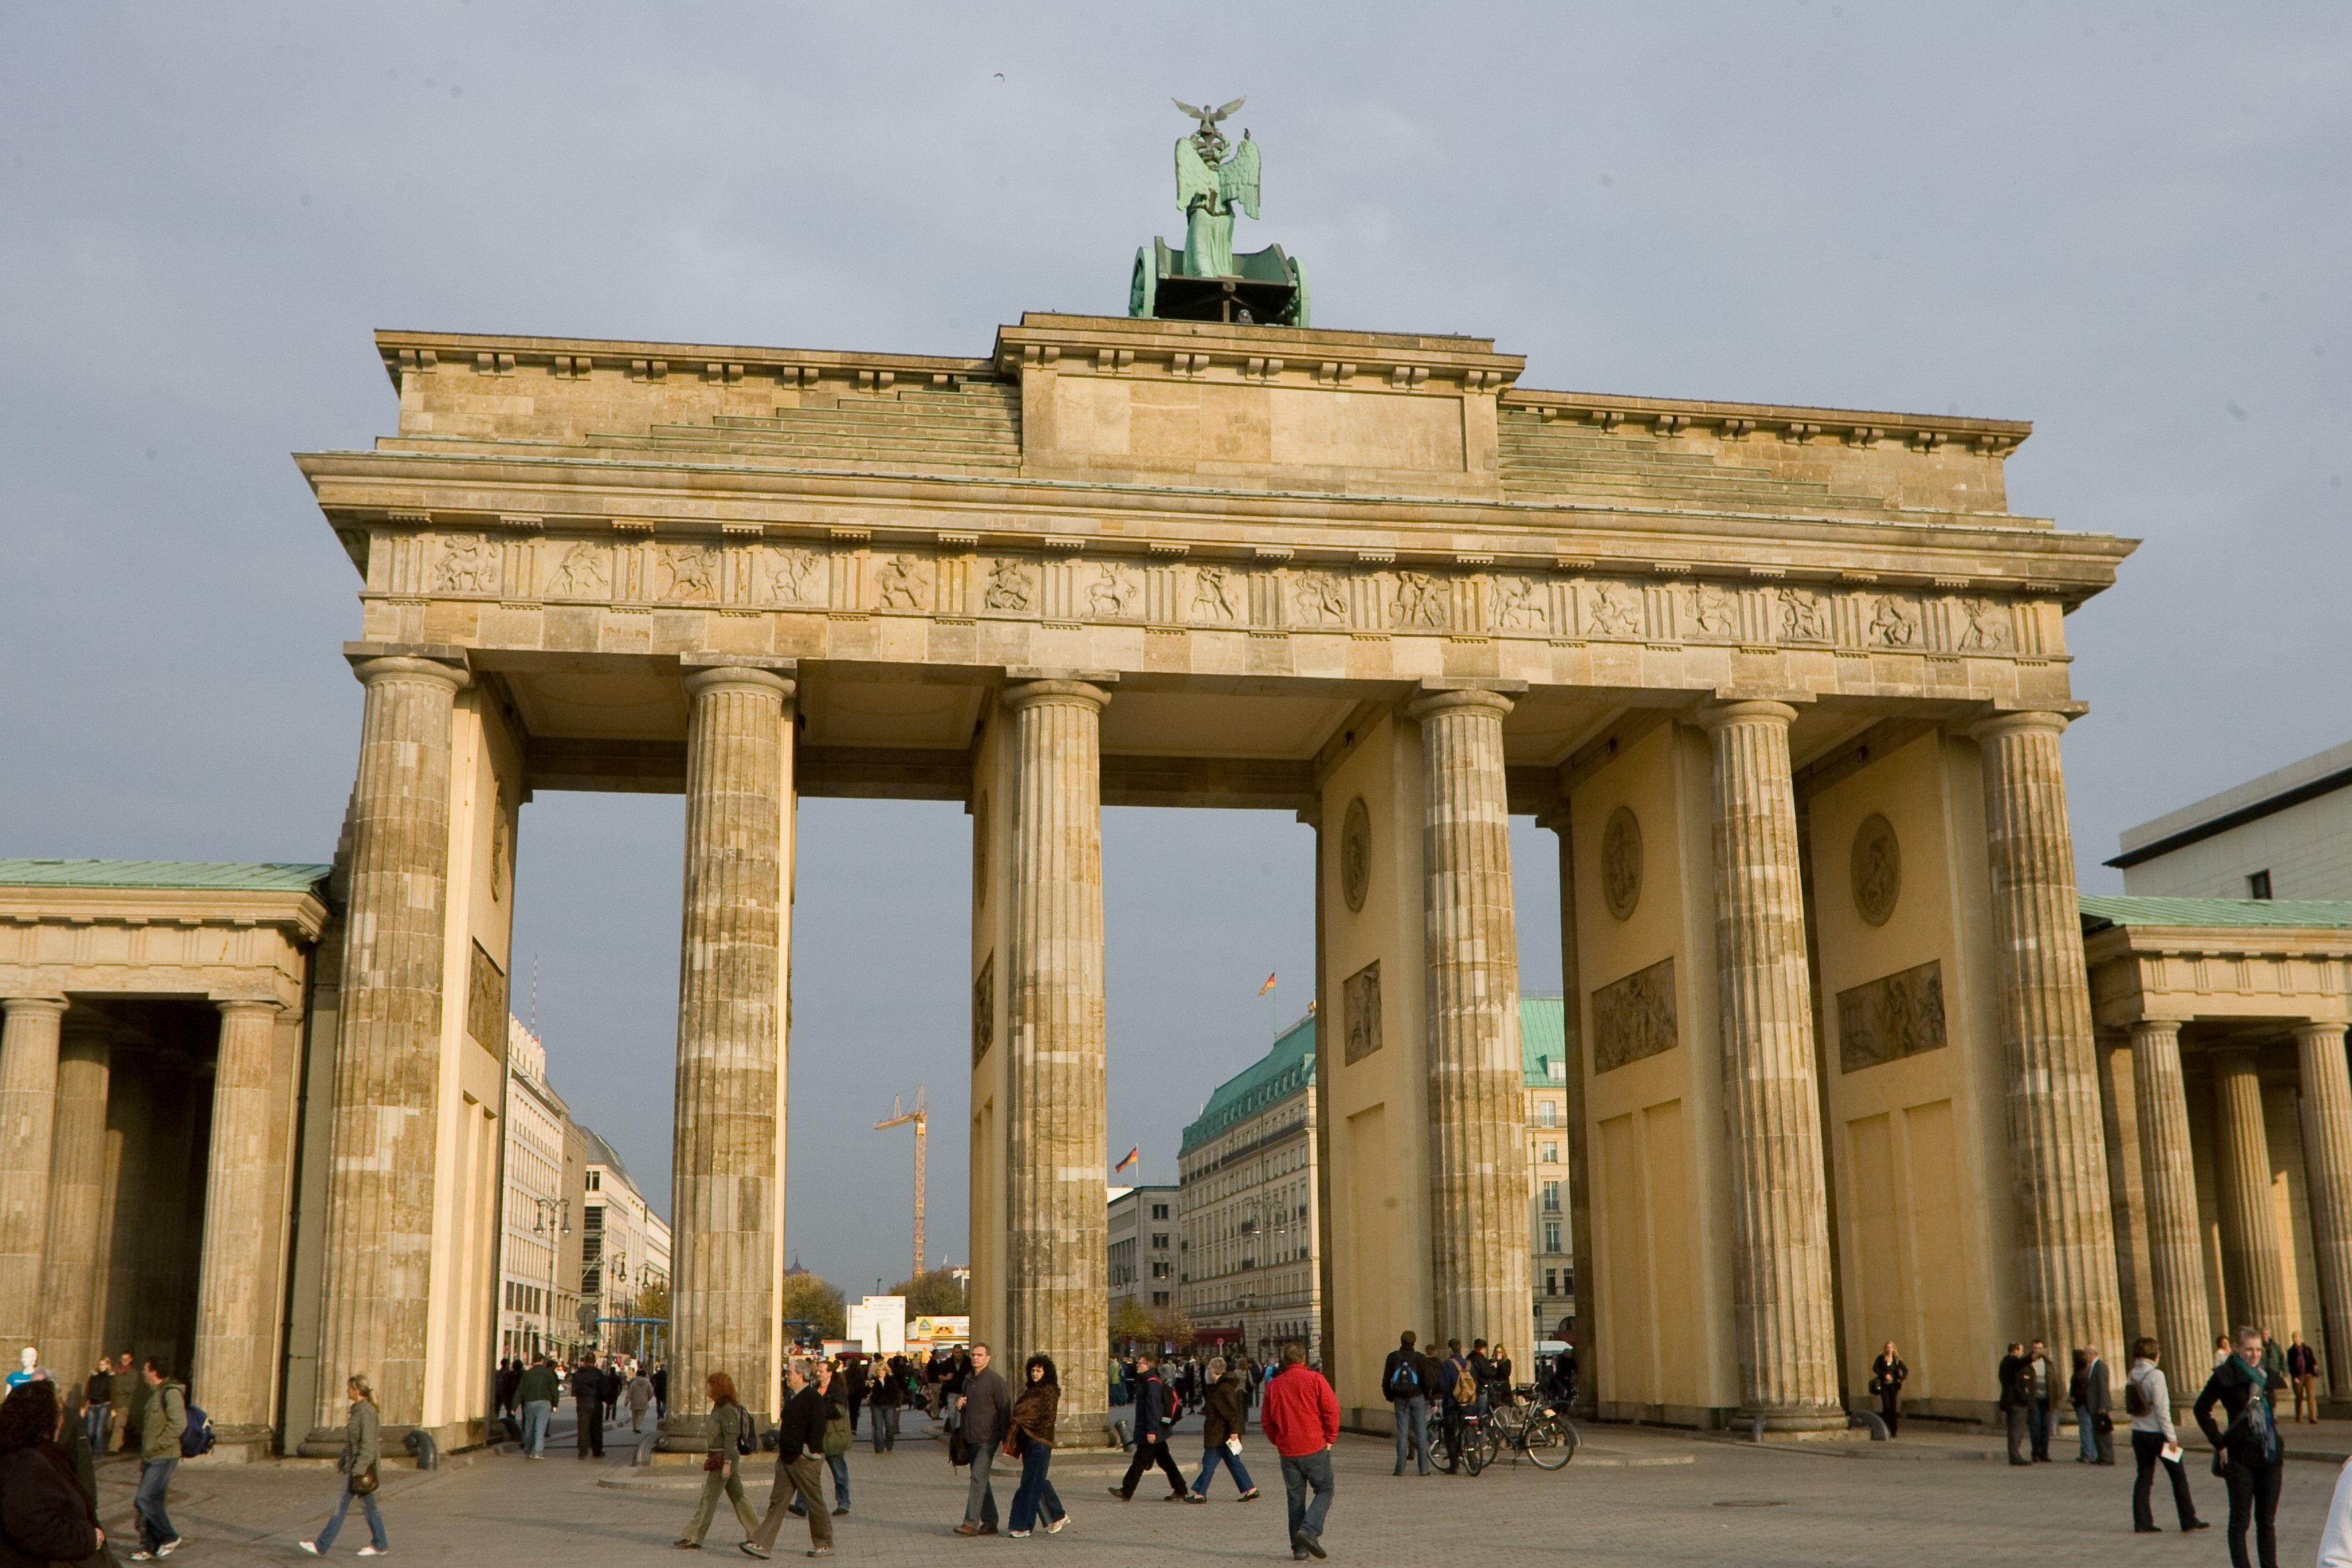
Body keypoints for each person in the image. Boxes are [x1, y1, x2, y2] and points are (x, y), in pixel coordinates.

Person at [2196, 1325, 2284, 1568]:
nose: (2255, 1355)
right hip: (2240, 1454)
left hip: (2269, 1453)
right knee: (2240, 1520)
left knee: (2267, 1520)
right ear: (2236, 1349)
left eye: (2258, 1350)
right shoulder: (2226, 1375)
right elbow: (2201, 1409)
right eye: (2248, 1350)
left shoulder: (2267, 1375)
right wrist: (2219, 1442)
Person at [0, 1379, 103, 1566]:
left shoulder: (35, 1454)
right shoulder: (25, 1463)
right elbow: (32, 1528)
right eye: (59, 1411)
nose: (62, 1418)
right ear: (45, 1417)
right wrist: (89, 1538)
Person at [743, 1359, 832, 1560]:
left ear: (800, 1376)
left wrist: (809, 1451)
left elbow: (818, 1429)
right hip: (787, 1459)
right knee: (777, 1502)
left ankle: (824, 1543)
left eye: (790, 1373)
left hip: (803, 1460)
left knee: (814, 1501)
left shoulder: (812, 1398)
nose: (787, 1376)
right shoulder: (794, 1398)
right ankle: (762, 1543)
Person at [1260, 1342, 1338, 1562]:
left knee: (1295, 1499)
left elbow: (1266, 1421)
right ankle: (1309, 1530)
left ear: (1285, 1361)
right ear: (1304, 1359)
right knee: (1325, 1489)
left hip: (1288, 1450)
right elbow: (1331, 1410)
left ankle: (1299, 1548)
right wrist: (1330, 1438)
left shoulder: (1274, 1386)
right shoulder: (1316, 1380)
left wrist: (1278, 1440)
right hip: (1314, 1445)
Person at [297, 1375, 388, 1557]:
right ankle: (380, 1544)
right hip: (356, 1468)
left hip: (361, 1470)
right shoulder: (357, 1411)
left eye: (350, 1388)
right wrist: (343, 1461)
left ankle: (321, 1545)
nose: (347, 1391)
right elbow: (352, 1443)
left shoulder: (367, 1413)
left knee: (341, 1506)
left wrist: (358, 1470)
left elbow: (368, 1446)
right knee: (370, 1508)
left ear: (357, 1390)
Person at [2126, 1337, 2207, 1536]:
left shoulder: (2132, 1374)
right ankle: (2188, 1518)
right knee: (2178, 1475)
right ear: (2155, 1354)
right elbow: (2163, 1409)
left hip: (2138, 1433)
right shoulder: (2156, 1375)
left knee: (2144, 1477)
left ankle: (2142, 1521)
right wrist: (2172, 1437)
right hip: (2158, 1435)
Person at [675, 1372, 762, 1552]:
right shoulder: (718, 1407)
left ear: (718, 1387)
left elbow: (731, 1438)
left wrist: (728, 1463)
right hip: (718, 1456)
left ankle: (694, 1536)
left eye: (710, 1385)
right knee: (739, 1497)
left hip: (723, 1458)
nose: (706, 1388)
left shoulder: (728, 1410)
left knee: (709, 1498)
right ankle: (757, 1534)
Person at [1110, 1350, 1188, 1502]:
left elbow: (1153, 1409)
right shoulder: (1148, 1381)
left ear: (1148, 1365)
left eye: (1141, 1362)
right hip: (1156, 1430)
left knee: (1139, 1461)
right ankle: (1180, 1489)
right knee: (1165, 1461)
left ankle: (1127, 1490)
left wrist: (1151, 1430)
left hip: (1153, 1430)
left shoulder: (1151, 1383)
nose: (1137, 1364)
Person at [1003, 1355, 1069, 1538]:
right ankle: (1058, 1515)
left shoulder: (1047, 1391)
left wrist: (1015, 1417)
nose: (1035, 1374)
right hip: (1030, 1441)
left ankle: (1023, 1525)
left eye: (1039, 1370)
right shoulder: (1032, 1390)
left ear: (1046, 1372)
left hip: (1039, 1441)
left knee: (1029, 1484)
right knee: (1036, 1479)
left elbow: (1028, 1414)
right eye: (1033, 1370)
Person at [130, 1358, 187, 1562]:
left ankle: (169, 1536)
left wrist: (158, 1445)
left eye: (146, 1370)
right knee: (153, 1502)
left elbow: (179, 1423)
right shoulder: (155, 1393)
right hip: (152, 1456)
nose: (143, 1373)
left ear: (154, 1372)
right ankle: (149, 1547)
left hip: (164, 1456)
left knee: (144, 1498)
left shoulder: (170, 1393)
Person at [953, 1342, 1008, 1536]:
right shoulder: (968, 1380)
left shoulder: (995, 1382)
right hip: (970, 1437)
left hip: (988, 1438)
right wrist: (960, 1405)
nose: (976, 1358)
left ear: (988, 1358)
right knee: (982, 1479)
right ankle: (991, 1521)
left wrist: (1004, 1438)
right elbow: (967, 1406)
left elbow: (1004, 1410)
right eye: (974, 1355)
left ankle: (971, 1522)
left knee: (977, 1478)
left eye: (980, 1355)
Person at [1187, 1355, 1259, 1502]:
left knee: (1209, 1463)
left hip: (1220, 1433)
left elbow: (1232, 1412)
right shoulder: (1223, 1386)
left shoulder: (1223, 1388)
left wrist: (1234, 1432)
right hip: (1224, 1433)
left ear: (1213, 1370)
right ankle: (1250, 1489)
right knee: (1233, 1462)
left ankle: (1200, 1493)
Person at [1381, 1330, 1432, 1477]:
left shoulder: (1393, 1357)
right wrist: (1426, 1395)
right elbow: (1426, 1381)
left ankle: (1400, 1469)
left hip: (1400, 1398)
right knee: (1421, 1432)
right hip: (1417, 1397)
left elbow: (1386, 1380)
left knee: (1402, 1433)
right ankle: (1424, 1469)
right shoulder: (1420, 1358)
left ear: (1401, 1341)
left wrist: (1390, 1396)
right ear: (1414, 1342)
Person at [2076, 1346, 2114, 1465]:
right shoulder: (2093, 1367)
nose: (2084, 1357)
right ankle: (2101, 1456)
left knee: (2104, 1433)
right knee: (2097, 1432)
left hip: (2099, 1405)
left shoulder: (2100, 1367)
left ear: (2092, 1354)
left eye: (2086, 1354)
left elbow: (2103, 1387)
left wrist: (2102, 1405)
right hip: (2093, 1405)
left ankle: (2107, 1457)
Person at [517, 1353, 558, 1459]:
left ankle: (528, 1450)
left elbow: (520, 1389)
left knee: (529, 1427)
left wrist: (514, 1405)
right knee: (540, 1428)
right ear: (542, 1361)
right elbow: (554, 1389)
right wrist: (555, 1403)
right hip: (544, 1403)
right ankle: (538, 1452)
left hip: (529, 1402)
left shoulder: (527, 1374)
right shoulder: (548, 1373)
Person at [2025, 1339, 2057, 1462]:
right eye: (2035, 1348)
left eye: (2040, 1348)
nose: (2038, 1351)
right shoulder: (2028, 1363)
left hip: (2046, 1399)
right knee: (2035, 1426)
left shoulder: (2048, 1364)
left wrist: (2055, 1399)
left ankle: (2045, 1452)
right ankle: (2035, 1452)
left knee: (2046, 1426)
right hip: (2034, 1400)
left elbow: (2054, 1382)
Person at [1997, 1343, 2029, 1465]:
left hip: (2010, 1400)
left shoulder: (2005, 1362)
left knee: (2014, 1429)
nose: (2022, 1353)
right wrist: (2035, 1356)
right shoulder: (2012, 1361)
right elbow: (2022, 1362)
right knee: (2016, 1429)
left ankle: (2014, 1454)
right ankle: (2015, 1455)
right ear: (2016, 1351)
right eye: (2021, 1350)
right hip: (2016, 1401)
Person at [571, 1357, 606, 1459]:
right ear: (594, 1362)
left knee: (583, 1427)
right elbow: (604, 1388)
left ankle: (583, 1451)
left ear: (585, 1362)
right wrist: (605, 1399)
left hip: (582, 1402)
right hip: (595, 1402)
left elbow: (574, 1389)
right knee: (596, 1428)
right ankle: (597, 1451)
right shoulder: (598, 1373)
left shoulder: (578, 1373)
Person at [1870, 1341, 1908, 1437]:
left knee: (1893, 1408)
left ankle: (1894, 1430)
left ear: (1893, 1349)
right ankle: (1885, 1428)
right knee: (1886, 1407)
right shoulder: (1881, 1358)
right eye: (1887, 1347)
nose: (1889, 1349)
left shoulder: (1896, 1360)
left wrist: (1900, 1380)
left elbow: (1905, 1370)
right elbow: (1875, 1368)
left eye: (1890, 1347)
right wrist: (1884, 1375)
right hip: (1884, 1385)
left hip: (1893, 1386)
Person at [867, 1353, 901, 1453]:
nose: (880, 1373)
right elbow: (868, 1392)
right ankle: (879, 1448)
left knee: (890, 1426)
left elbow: (896, 1392)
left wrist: (898, 1405)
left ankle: (889, 1444)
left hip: (889, 1405)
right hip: (877, 1405)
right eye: (879, 1371)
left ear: (886, 1371)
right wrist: (869, 1387)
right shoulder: (873, 1381)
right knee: (878, 1426)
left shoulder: (891, 1380)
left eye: (882, 1371)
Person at [83, 1359, 113, 1457]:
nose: (101, 1367)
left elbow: (113, 1393)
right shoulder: (93, 1376)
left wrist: (114, 1408)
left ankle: (98, 1451)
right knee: (90, 1430)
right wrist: (84, 1406)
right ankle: (89, 1448)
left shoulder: (111, 1378)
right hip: (93, 1404)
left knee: (99, 1429)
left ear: (108, 1366)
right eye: (100, 1365)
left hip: (104, 1404)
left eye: (104, 1365)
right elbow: (87, 1391)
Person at [2290, 1334, 2320, 1425]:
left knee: (2311, 1396)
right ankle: (2299, 1417)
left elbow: (2313, 1360)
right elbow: (2291, 1365)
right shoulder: (2291, 1351)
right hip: (2298, 1375)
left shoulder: (2307, 1349)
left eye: (2297, 1338)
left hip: (2309, 1375)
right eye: (2294, 1338)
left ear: (2301, 1339)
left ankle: (2313, 1417)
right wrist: (2294, 1376)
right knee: (2299, 1396)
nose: (2296, 1339)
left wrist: (2314, 1366)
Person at [117, 1353, 145, 1455]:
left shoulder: (133, 1372)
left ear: (131, 1360)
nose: (124, 1360)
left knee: (119, 1425)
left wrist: (118, 1389)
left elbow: (131, 1388)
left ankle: (114, 1448)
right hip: (114, 1401)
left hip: (124, 1401)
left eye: (127, 1359)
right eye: (123, 1358)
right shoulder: (116, 1371)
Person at [628, 1367, 655, 1434]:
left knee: (634, 1415)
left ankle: (634, 1427)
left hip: (634, 1401)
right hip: (644, 1401)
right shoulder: (648, 1383)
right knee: (641, 1415)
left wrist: (627, 1400)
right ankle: (638, 1427)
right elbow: (651, 1392)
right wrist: (648, 1398)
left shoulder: (634, 1382)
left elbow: (630, 1392)